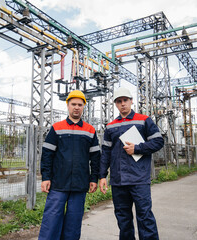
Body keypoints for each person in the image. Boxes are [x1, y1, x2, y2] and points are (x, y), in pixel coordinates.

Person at [99, 87, 164, 240]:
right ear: (115, 104)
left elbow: (158, 141)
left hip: (139, 178)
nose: (122, 104)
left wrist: (138, 148)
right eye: (119, 101)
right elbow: (106, 152)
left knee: (145, 217)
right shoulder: (110, 126)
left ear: (131, 101)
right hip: (118, 180)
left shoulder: (144, 120)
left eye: (125, 100)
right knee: (123, 219)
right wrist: (102, 176)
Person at [38, 90, 100, 240]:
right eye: (73, 104)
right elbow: (47, 155)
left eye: (80, 104)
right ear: (68, 105)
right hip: (58, 184)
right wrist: (46, 177)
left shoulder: (90, 130)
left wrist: (94, 179)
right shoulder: (57, 128)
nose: (76, 107)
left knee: (73, 224)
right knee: (51, 222)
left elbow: (96, 157)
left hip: (80, 184)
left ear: (84, 106)